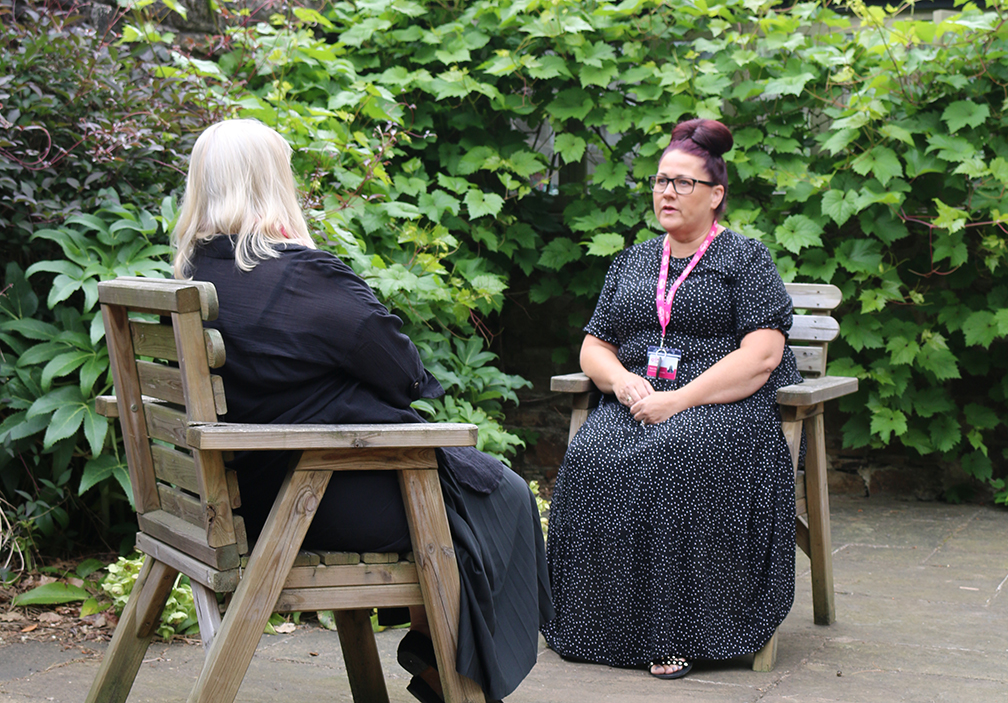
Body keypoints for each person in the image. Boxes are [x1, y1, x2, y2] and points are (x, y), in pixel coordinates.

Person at [171, 118, 554, 703]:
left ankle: (435, 658)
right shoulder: (296, 275)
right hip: (305, 499)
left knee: (471, 491)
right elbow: (401, 374)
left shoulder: (198, 273)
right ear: (273, 182)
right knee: (498, 496)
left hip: (247, 491)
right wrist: (305, 255)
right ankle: (447, 673)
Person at [540, 118, 802, 679]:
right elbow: (594, 347)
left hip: (723, 406)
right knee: (592, 454)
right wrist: (621, 380)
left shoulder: (746, 260)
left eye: (683, 183)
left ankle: (677, 630)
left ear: (716, 195)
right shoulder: (633, 261)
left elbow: (761, 356)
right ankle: (598, 625)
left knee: (671, 453)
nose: (667, 192)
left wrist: (678, 400)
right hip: (639, 400)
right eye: (661, 181)